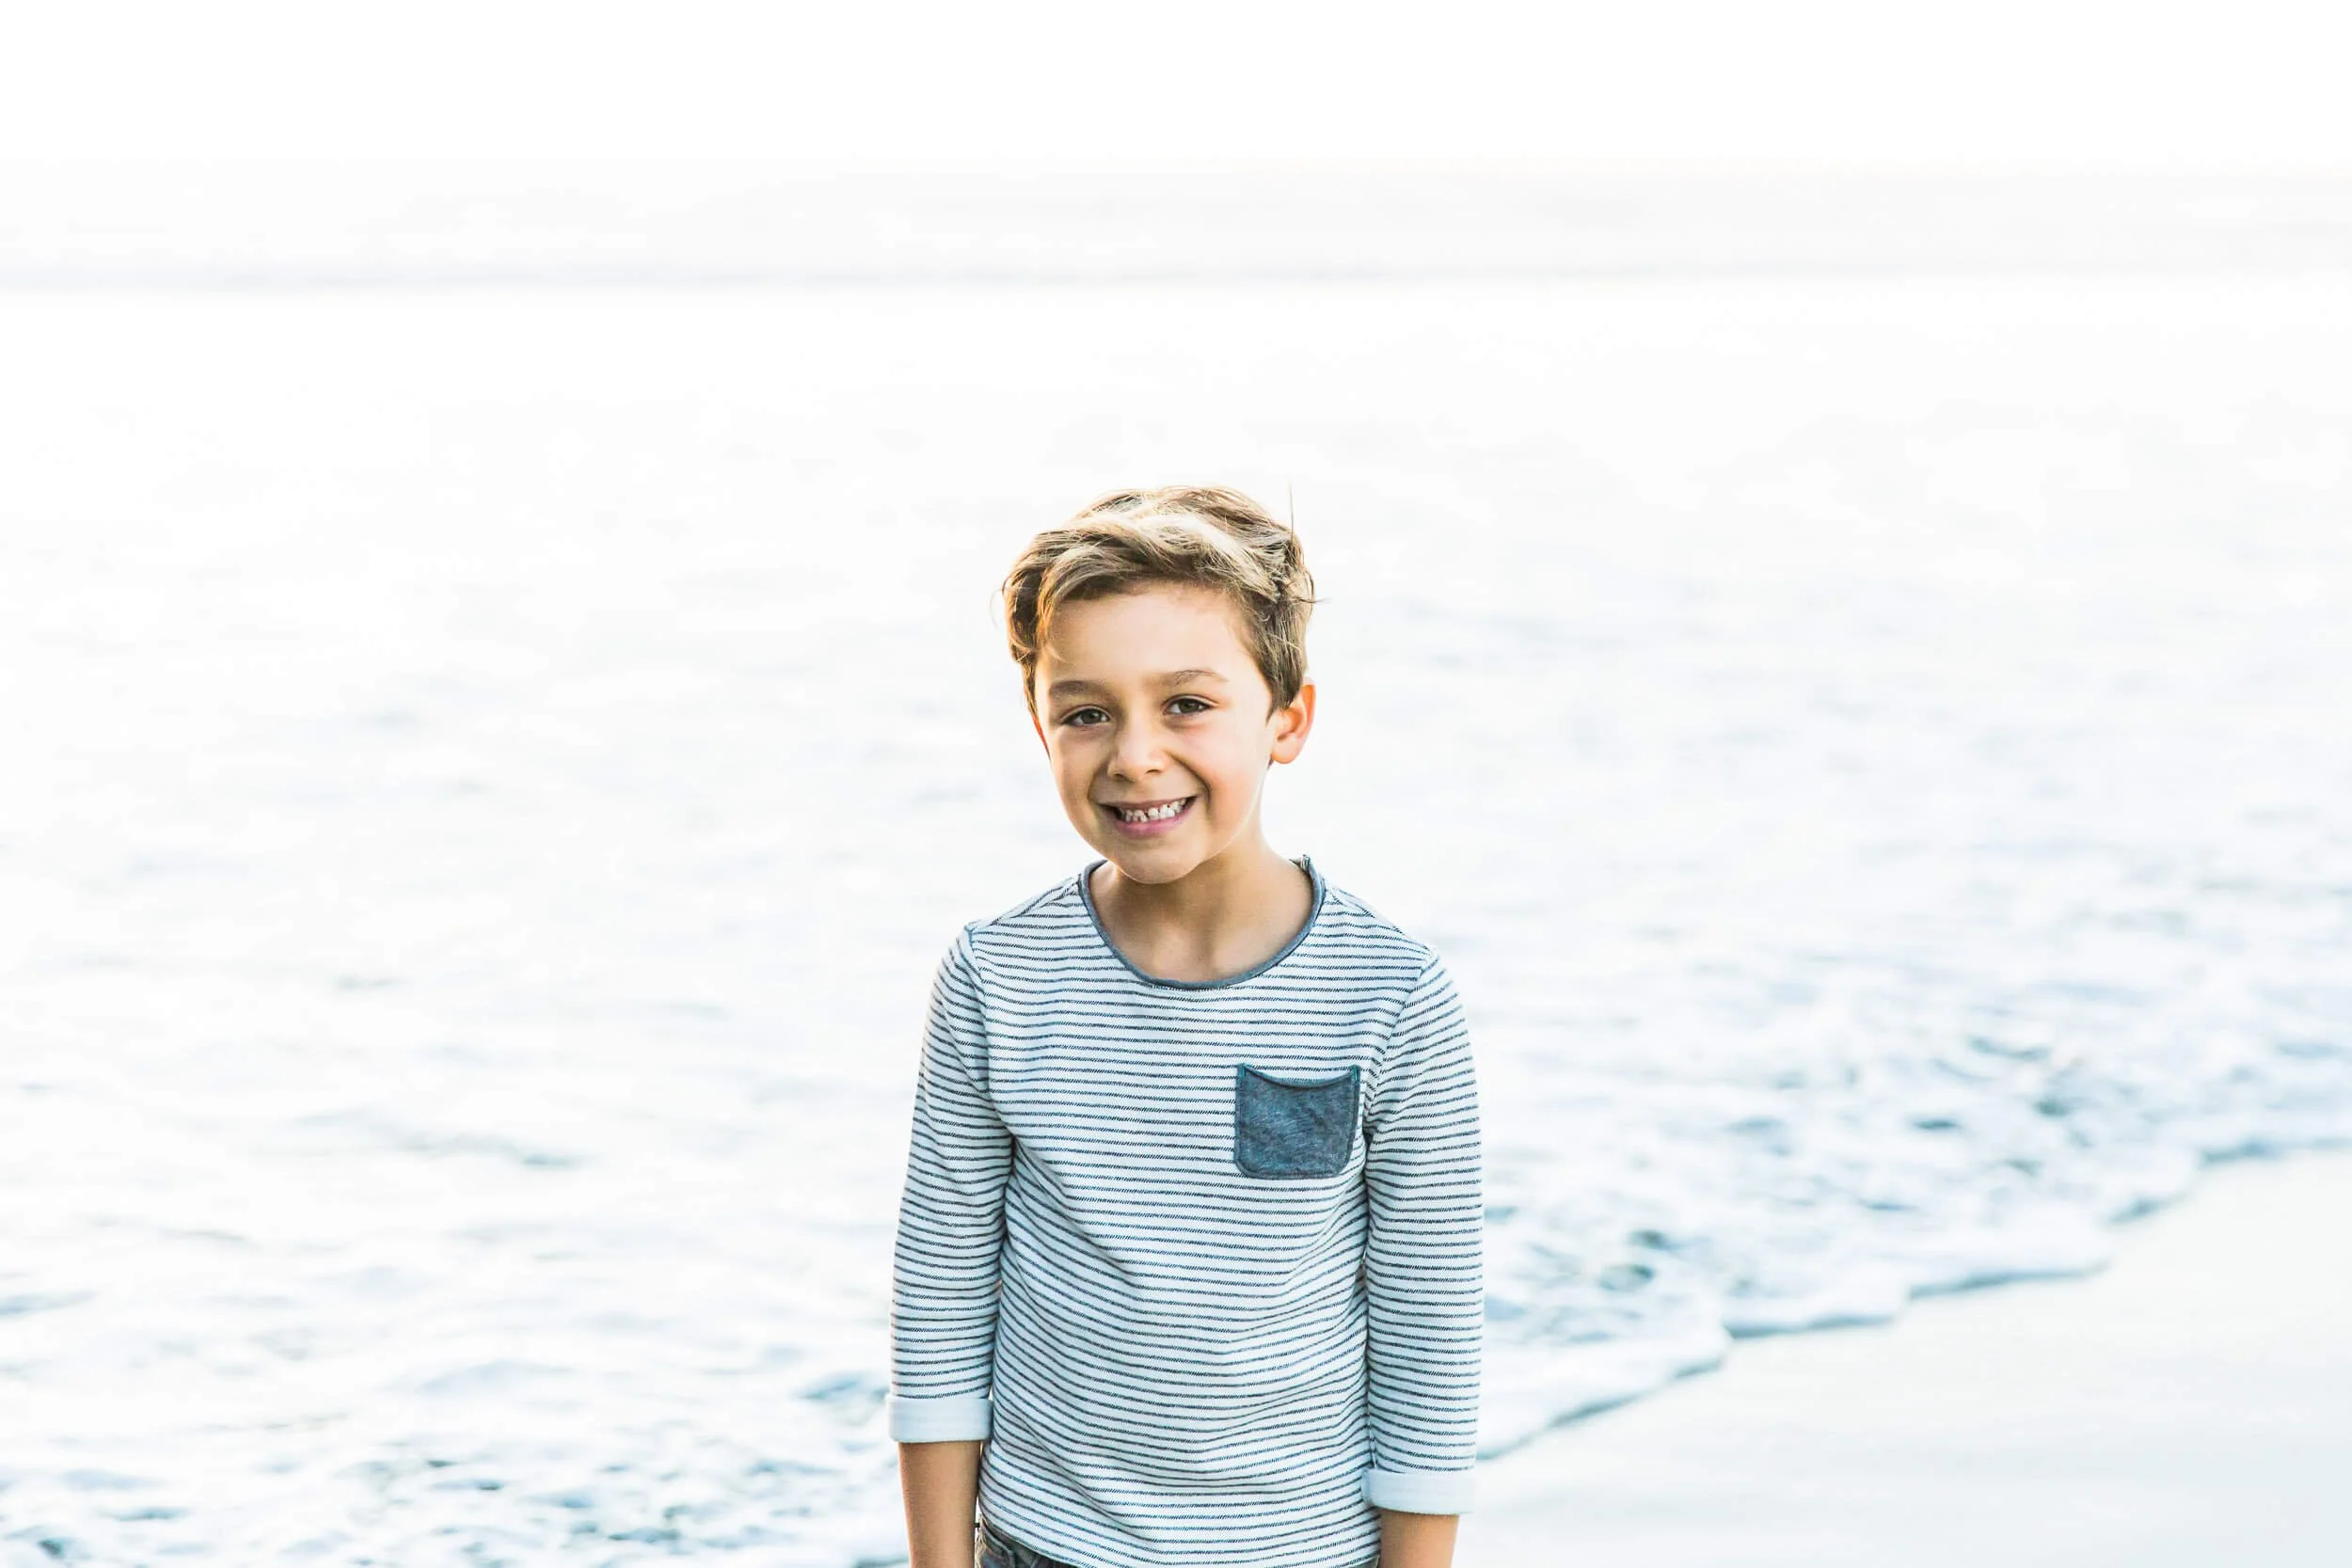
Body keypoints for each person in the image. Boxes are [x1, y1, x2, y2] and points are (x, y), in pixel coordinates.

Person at [887, 485, 1483, 1568]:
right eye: (1086, 710)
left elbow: (1427, 1340)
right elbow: (941, 1299)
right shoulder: (998, 976)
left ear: (1287, 719)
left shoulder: (1390, 995)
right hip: (1042, 1541)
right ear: (1041, 726)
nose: (1134, 754)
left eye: (1187, 704)